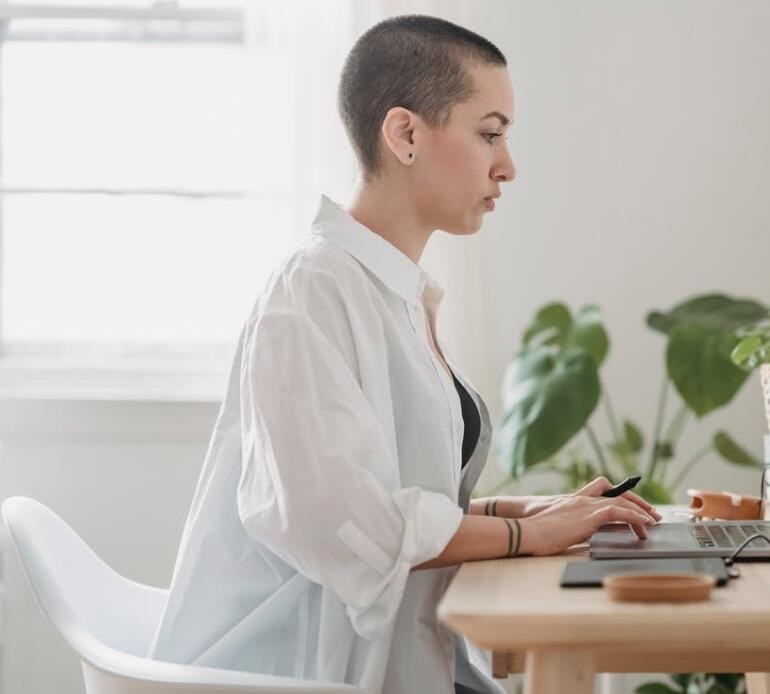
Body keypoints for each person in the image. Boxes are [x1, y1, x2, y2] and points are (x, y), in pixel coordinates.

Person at [147, 14, 661, 694]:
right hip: (305, 674)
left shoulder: (393, 293)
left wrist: (524, 513)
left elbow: (395, 498)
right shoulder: (310, 295)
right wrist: (523, 538)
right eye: (490, 133)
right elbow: (348, 523)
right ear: (405, 134)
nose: (507, 166)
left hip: (413, 660)